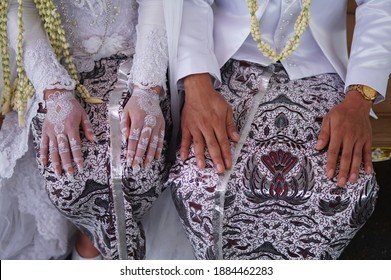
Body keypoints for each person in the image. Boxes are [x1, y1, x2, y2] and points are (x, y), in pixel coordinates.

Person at [167, 0, 391, 259]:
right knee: (198, 181)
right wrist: (197, 84)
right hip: (223, 64)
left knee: (342, 189)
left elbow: (379, 4)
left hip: (319, 67)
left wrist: (359, 98)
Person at [0, 0, 169, 260]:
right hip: (56, 66)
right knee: (68, 176)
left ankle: (99, 249)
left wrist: (147, 88)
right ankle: (88, 238)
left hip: (137, 58)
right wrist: (54, 91)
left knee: (140, 169)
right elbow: (19, 8)